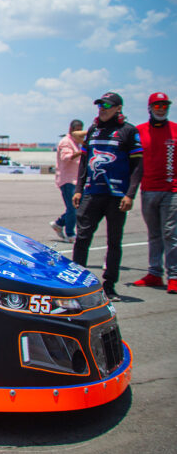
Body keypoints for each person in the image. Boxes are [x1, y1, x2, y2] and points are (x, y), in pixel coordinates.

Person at [72, 92, 143, 301]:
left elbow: (138, 166)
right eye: (100, 105)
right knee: (82, 238)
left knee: (114, 241)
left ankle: (109, 286)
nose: (102, 109)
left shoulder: (128, 131)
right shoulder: (93, 130)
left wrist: (130, 194)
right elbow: (84, 162)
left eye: (106, 106)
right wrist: (78, 189)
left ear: (118, 108)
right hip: (92, 193)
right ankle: (76, 285)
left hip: (117, 196)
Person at [132, 92, 177, 293]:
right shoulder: (139, 131)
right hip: (147, 189)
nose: (161, 109)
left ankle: (174, 276)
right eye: (157, 106)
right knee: (154, 234)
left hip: (171, 190)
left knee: (170, 233)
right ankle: (154, 273)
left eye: (164, 106)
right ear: (150, 108)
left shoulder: (175, 130)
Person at [50, 119, 84, 242]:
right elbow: (66, 158)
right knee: (73, 207)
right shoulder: (66, 142)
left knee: (76, 207)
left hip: (76, 179)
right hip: (67, 180)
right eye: (77, 130)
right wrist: (81, 152)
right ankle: (70, 233)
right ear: (71, 129)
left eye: (81, 130)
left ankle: (59, 224)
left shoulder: (77, 142)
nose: (79, 132)